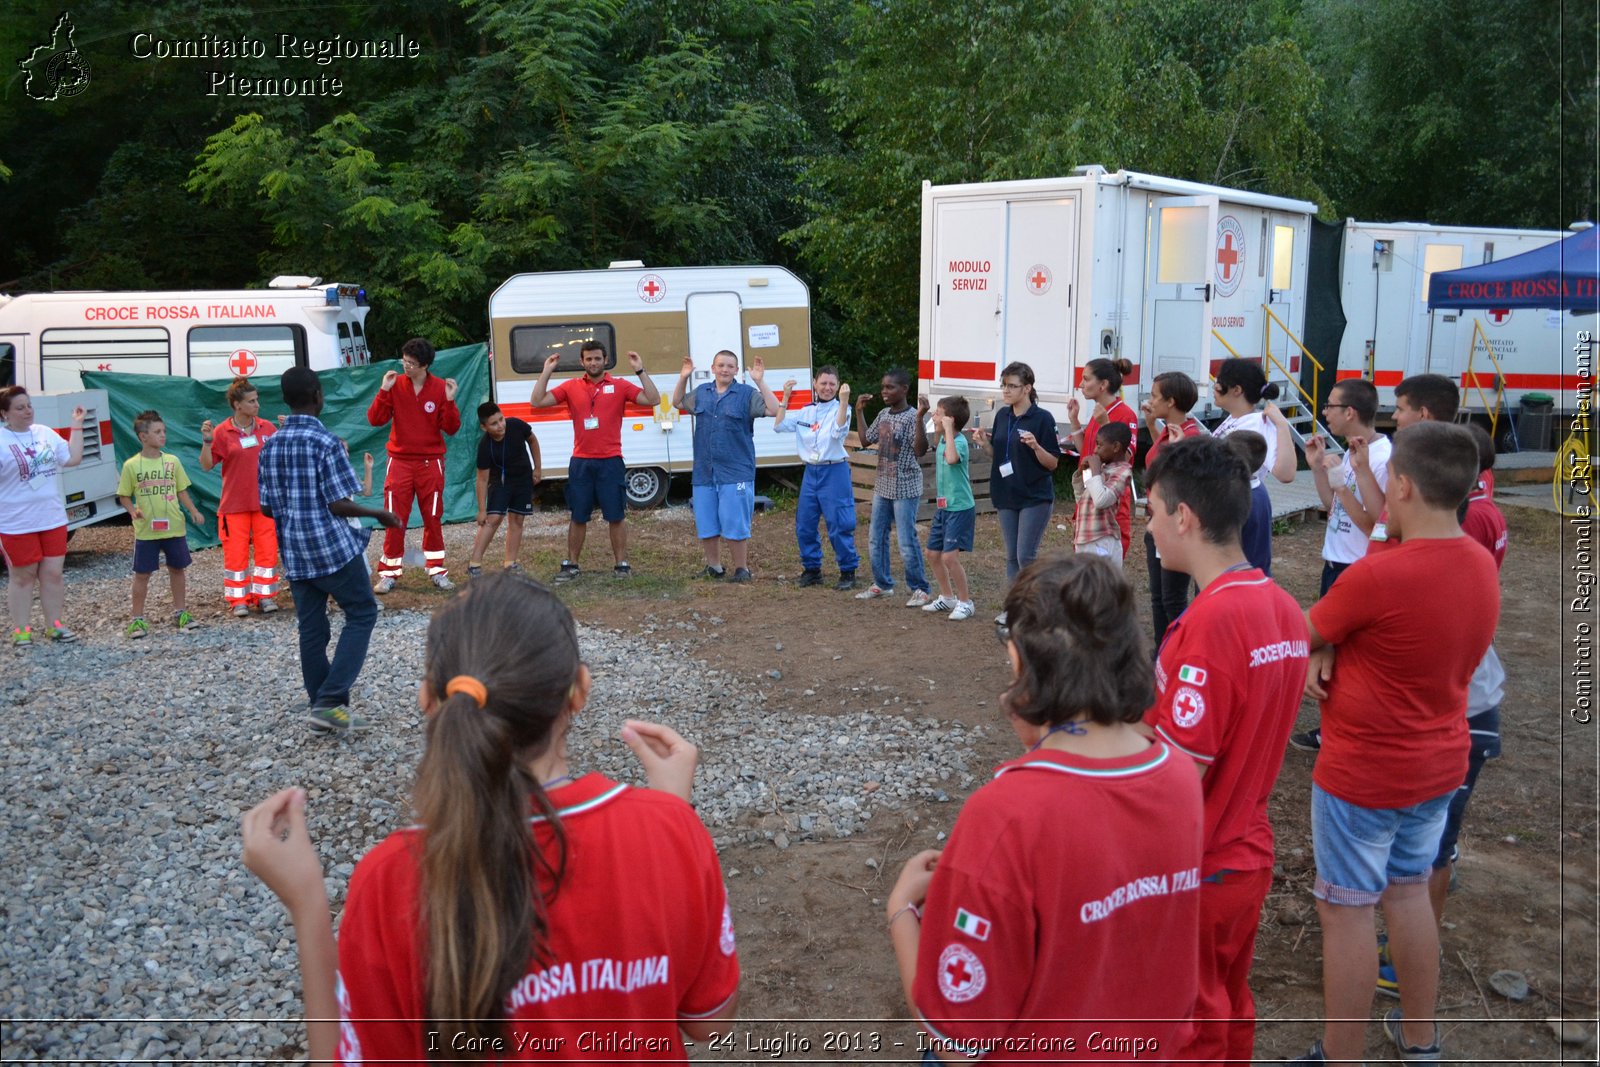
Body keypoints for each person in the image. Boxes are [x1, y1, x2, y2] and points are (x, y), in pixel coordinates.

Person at [241, 572, 739, 1062]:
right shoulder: (670, 830)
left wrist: (307, 903)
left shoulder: (390, 879)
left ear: (429, 702)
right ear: (579, 691)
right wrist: (675, 815)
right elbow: (707, 1022)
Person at [884, 555, 1202, 1062]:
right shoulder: (1179, 774)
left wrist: (902, 911)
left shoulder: (1004, 816)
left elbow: (956, 1043)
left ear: (1020, 664)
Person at [1291, 421, 1499, 1066]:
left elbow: (1306, 629)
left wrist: (1316, 654)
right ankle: (1420, 1042)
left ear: (1401, 485)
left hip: (1365, 772)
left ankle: (1341, 1054)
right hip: (1438, 765)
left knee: (1347, 912)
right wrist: (1327, 647)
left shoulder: (1376, 579)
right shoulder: (1477, 563)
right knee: (1409, 895)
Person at [1142, 434, 1309, 1064]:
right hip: (1246, 852)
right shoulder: (1284, 607)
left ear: (1184, 516)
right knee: (1229, 1001)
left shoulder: (1209, 626)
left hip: (1199, 861)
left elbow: (1178, 777)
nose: (1149, 525)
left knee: (1189, 1019)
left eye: (1153, 510)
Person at [1373, 423, 1508, 1001]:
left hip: (1449, 716)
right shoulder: (1474, 540)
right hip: (1467, 712)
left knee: (1415, 862)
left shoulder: (1434, 553)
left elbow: (1324, 623)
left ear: (1405, 486)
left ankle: (1403, 962)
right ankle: (1407, 965)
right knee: (1427, 851)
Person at [260, 367, 403, 734]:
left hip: (294, 550)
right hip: (331, 548)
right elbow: (339, 503)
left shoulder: (271, 444)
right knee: (362, 613)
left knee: (312, 629)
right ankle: (330, 699)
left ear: (286, 398)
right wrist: (379, 513)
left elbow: (265, 507)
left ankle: (321, 707)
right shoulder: (325, 443)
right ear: (318, 396)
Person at [530, 341, 661, 581]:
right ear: (582, 362)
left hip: (611, 460)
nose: (593, 363)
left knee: (616, 515)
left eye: (597, 359)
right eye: (589, 359)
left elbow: (653, 399)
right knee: (578, 516)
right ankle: (572, 564)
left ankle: (621, 564)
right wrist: (546, 371)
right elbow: (537, 401)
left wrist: (640, 370)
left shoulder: (619, 386)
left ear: (605, 360)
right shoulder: (571, 387)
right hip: (581, 461)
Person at [673, 351, 778, 582]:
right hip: (704, 472)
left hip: (735, 472)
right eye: (721, 365)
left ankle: (742, 569)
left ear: (736, 370)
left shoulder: (746, 394)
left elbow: (773, 409)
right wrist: (683, 377)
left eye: (730, 366)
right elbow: (677, 402)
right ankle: (714, 567)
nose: (725, 369)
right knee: (707, 522)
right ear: (713, 368)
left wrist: (760, 380)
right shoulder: (702, 393)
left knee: (735, 523)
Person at [367, 337, 461, 593]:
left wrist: (450, 401)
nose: (405, 366)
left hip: (431, 462)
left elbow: (451, 428)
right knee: (394, 517)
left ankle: (437, 569)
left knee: (432, 516)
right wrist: (384, 390)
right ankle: (389, 572)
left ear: (425, 365)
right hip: (399, 461)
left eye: (411, 363)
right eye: (404, 361)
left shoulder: (441, 387)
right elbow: (375, 419)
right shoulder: (395, 383)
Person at [972, 362, 1062, 626]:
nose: (1006, 390)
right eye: (1004, 385)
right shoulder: (1003, 415)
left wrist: (1036, 447)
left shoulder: (1042, 418)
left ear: (1027, 388)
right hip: (1006, 494)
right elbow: (998, 456)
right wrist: (985, 444)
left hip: (1034, 495)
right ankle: (1014, 609)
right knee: (1012, 555)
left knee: (1026, 555)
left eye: (1012, 385)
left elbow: (1053, 463)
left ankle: (1037, 609)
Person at [1, 386, 85, 646]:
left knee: (53, 574)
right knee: (23, 576)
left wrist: (77, 426)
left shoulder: (44, 433)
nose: (27, 411)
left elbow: (72, 458)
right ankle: (21, 629)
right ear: (4, 414)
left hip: (52, 518)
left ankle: (55, 625)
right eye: (19, 407)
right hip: (16, 522)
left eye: (28, 405)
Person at [116, 409, 206, 638]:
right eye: (157, 431)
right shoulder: (131, 465)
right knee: (142, 574)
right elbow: (124, 495)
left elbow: (181, 489)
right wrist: (132, 510)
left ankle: (181, 612)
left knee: (177, 569)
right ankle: (137, 619)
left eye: (164, 431)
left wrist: (193, 510)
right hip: (146, 531)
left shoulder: (172, 462)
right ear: (142, 436)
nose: (163, 435)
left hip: (174, 527)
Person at [200, 377, 281, 616]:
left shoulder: (268, 428)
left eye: (257, 400)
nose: (257, 405)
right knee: (236, 554)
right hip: (234, 505)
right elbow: (206, 465)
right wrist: (206, 442)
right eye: (251, 401)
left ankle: (265, 596)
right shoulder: (222, 432)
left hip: (265, 503)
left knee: (267, 550)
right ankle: (239, 601)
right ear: (237, 405)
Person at [773, 366, 859, 589]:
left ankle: (848, 571)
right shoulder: (806, 411)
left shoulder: (843, 408)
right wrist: (785, 397)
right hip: (812, 472)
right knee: (805, 524)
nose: (827, 388)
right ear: (815, 384)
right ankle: (812, 569)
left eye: (832, 384)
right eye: (823, 383)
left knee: (839, 522)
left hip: (834, 471)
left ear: (839, 387)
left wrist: (843, 401)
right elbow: (779, 426)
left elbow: (838, 432)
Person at [1210, 359, 1296, 575]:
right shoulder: (1235, 418)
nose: (1214, 386)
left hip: (1244, 506)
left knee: (1242, 575)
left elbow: (1286, 473)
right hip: (1228, 503)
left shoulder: (1259, 423)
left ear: (1237, 390)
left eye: (1219, 382)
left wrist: (1282, 426)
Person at [853, 369, 932, 605]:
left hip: (905, 487)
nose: (884, 392)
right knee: (876, 537)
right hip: (883, 486)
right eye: (883, 387)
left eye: (890, 387)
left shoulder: (912, 417)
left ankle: (921, 588)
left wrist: (919, 418)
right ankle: (882, 584)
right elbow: (866, 439)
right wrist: (858, 412)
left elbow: (919, 450)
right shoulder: (884, 414)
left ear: (905, 389)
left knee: (906, 540)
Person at [1306, 378, 1390, 596]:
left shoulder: (1383, 459)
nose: (1325, 412)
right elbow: (1333, 507)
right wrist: (1317, 469)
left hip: (1357, 569)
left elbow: (1379, 529)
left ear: (1349, 412)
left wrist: (1341, 486)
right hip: (1334, 564)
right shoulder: (1354, 450)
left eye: (1329, 406)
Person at [1141, 370, 1204, 643]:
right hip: (1157, 527)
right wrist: (1151, 425)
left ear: (1171, 401)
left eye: (1155, 396)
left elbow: (1182, 486)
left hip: (1174, 531)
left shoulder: (1189, 438)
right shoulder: (1169, 433)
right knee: (1159, 598)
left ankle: (1183, 651)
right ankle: (1162, 654)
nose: (1150, 400)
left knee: (1172, 598)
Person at [1063, 357, 1140, 557]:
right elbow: (1088, 455)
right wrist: (1074, 422)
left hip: (1109, 508)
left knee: (1104, 575)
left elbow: (1126, 459)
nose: (1080, 385)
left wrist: (1105, 423)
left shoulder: (1124, 414)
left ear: (1103, 385)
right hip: (1089, 503)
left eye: (1086, 379)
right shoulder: (1097, 413)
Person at [469, 402, 541, 577]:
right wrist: (481, 510)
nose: (501, 425)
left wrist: (537, 468)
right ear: (484, 427)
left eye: (501, 419)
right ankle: (474, 564)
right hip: (500, 483)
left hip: (523, 480)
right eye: (494, 423)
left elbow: (532, 439)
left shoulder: (516, 425)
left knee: (517, 520)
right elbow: (482, 479)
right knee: (493, 519)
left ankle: (510, 564)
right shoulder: (485, 446)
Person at [921, 396, 975, 620]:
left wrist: (949, 431)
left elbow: (952, 459)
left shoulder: (958, 441)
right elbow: (936, 445)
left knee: (949, 558)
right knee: (932, 554)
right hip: (944, 508)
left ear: (950, 421)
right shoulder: (943, 438)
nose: (934, 415)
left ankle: (965, 602)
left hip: (960, 508)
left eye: (938, 412)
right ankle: (947, 597)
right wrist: (938, 426)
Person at [1070, 422, 1133, 563]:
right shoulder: (1101, 469)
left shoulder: (1123, 471)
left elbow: (1101, 500)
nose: (1095, 450)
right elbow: (1081, 498)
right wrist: (1082, 473)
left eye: (1099, 445)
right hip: (1085, 538)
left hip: (1102, 539)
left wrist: (1096, 472)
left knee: (1101, 584)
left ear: (1116, 447)